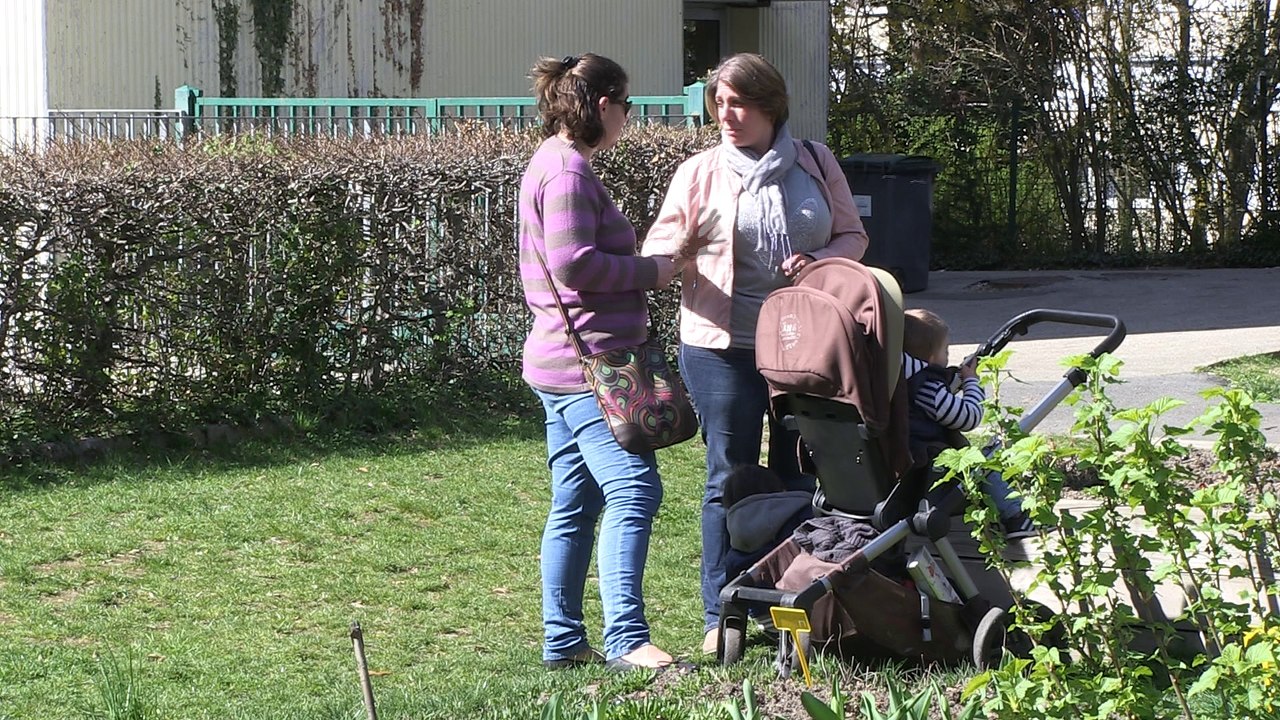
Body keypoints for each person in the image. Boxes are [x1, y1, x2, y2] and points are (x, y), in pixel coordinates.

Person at [641, 52, 870, 653]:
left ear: (771, 107)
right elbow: (664, 247)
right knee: (730, 475)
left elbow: (853, 234)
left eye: (738, 102)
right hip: (723, 347)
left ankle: (795, 596)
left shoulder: (816, 163)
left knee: (803, 472)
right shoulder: (698, 172)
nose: (726, 113)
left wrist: (822, 263)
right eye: (719, 102)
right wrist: (662, 263)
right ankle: (723, 609)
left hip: (806, 344)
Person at [519, 53, 681, 671]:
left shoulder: (550, 162)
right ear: (604, 105)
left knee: (575, 503)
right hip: (590, 366)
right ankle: (626, 640)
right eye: (628, 105)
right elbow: (573, 264)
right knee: (635, 489)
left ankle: (562, 644)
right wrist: (654, 272)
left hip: (562, 362)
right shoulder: (566, 173)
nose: (629, 118)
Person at [901, 308, 1036, 539]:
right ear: (931, 359)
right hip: (929, 469)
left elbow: (932, 406)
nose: (947, 357)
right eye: (945, 351)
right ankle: (1016, 518)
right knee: (986, 465)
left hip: (907, 462)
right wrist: (972, 383)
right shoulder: (928, 388)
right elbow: (968, 416)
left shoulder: (901, 379)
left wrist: (955, 379)